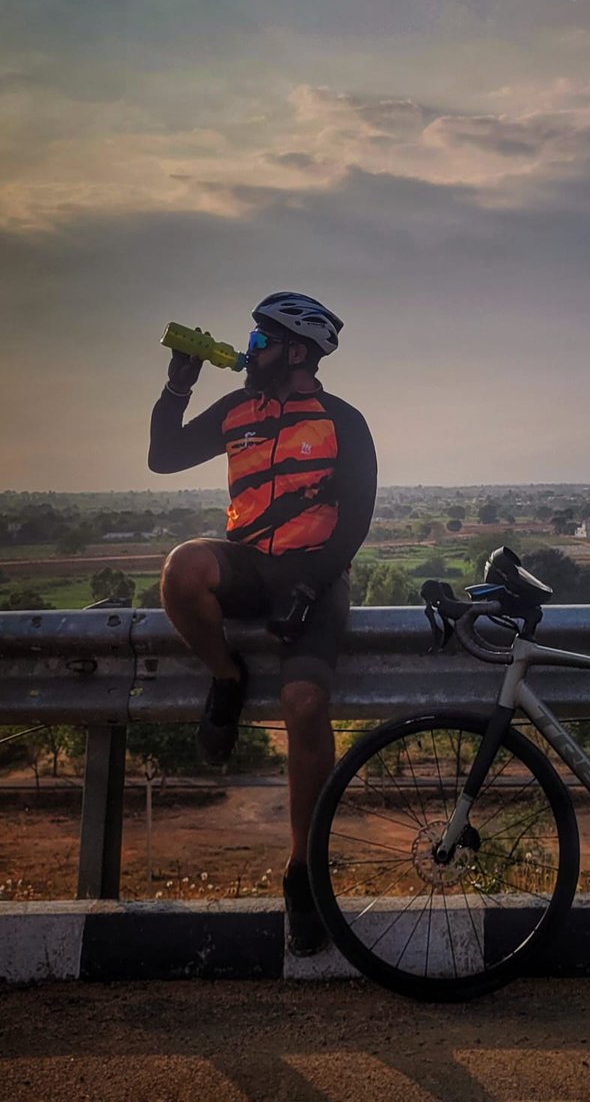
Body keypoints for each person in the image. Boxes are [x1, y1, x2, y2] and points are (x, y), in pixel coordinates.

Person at [148, 291, 377, 955]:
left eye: (260, 341)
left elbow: (356, 517)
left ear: (296, 352)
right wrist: (176, 385)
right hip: (250, 566)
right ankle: (227, 675)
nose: (248, 351)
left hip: (316, 575)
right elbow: (164, 457)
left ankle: (303, 870)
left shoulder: (342, 421)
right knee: (182, 567)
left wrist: (311, 584)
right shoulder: (236, 410)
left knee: (306, 704)